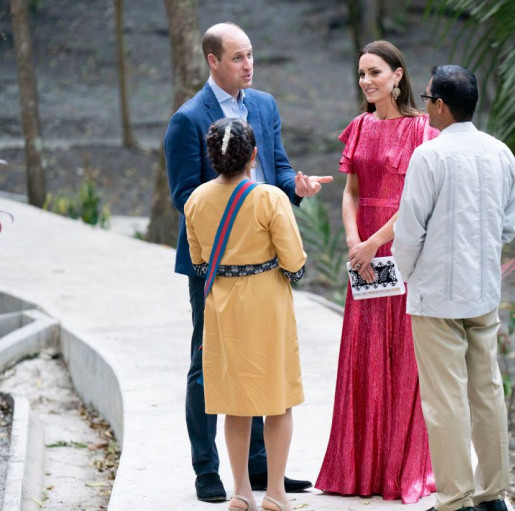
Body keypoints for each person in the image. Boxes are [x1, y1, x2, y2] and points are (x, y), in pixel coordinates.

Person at [164, 22, 331, 502]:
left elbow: (276, 170)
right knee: (209, 362)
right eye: (238, 57)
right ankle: (207, 470)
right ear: (213, 61)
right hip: (213, 263)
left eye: (251, 55)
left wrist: (293, 189)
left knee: (261, 360)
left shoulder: (264, 106)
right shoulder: (188, 120)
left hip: (265, 255)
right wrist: (234, 225)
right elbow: (183, 197)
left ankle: (260, 471)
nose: (248, 64)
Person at [392, 65, 515, 511]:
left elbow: (409, 232)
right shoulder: (502, 153)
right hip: (483, 291)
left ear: (440, 105)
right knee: (487, 391)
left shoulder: (430, 156)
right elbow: (507, 230)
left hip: (437, 296)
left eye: (427, 99)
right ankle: (493, 495)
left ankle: (455, 500)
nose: (425, 106)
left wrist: (409, 277)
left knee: (445, 399)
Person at [315, 40, 437, 504]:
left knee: (401, 353)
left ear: (398, 76)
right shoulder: (361, 126)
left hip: (398, 250)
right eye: (362, 73)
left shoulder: (421, 130)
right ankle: (357, 469)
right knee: (364, 351)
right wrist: (353, 241)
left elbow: (414, 201)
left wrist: (373, 242)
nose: (366, 81)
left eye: (375, 73)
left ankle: (398, 469)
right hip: (362, 254)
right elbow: (351, 191)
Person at [185, 118, 306, 511]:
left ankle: (239, 491)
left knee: (234, 404)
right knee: (277, 402)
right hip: (267, 304)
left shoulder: (196, 200)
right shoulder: (270, 199)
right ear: (254, 155)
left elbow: (199, 259)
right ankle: (274, 492)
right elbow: (294, 259)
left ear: (211, 156)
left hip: (223, 308)